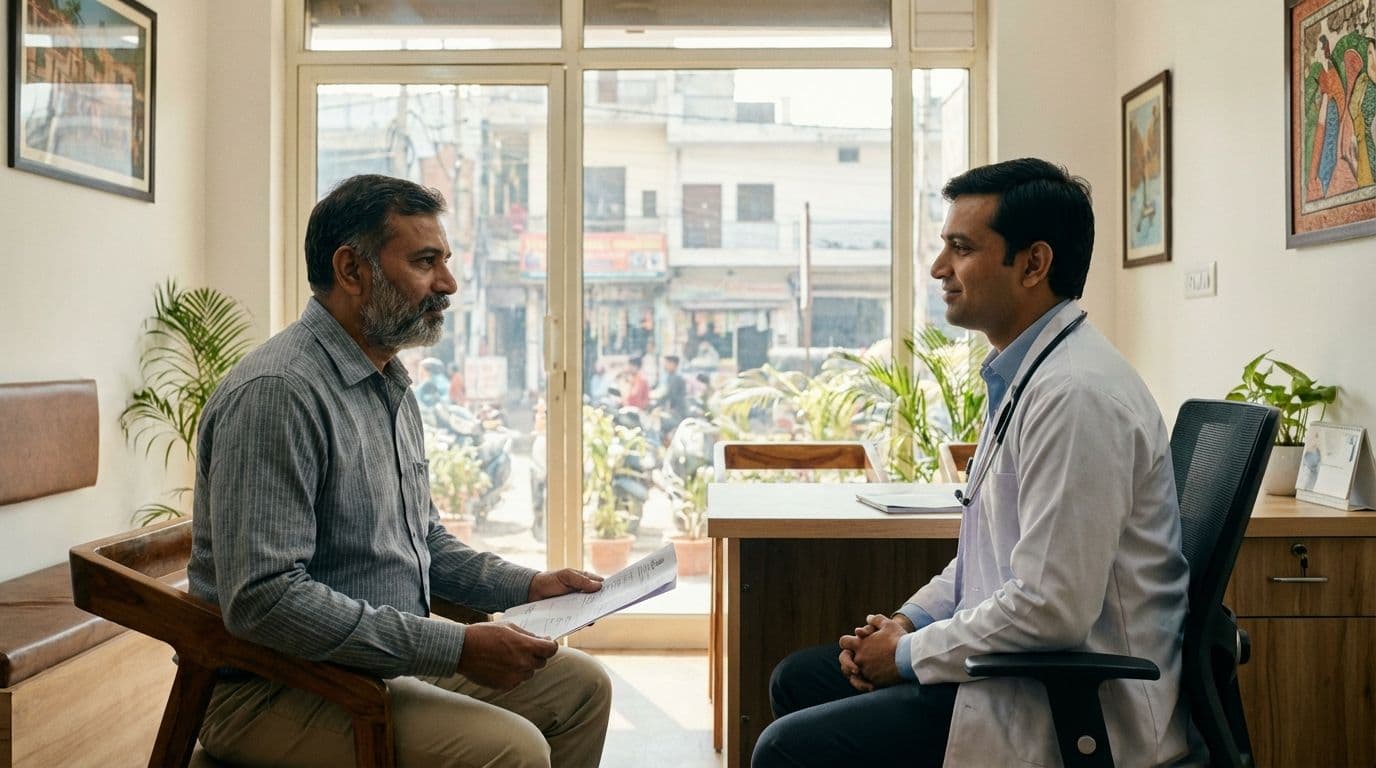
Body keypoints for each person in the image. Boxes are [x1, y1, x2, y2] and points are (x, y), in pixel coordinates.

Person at [754, 158, 1192, 768]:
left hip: (1065, 706)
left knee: (786, 749)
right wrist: (907, 622)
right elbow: (987, 557)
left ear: (1033, 264)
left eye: (960, 248)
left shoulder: (1076, 396)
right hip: (1014, 670)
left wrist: (904, 655)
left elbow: (1052, 610)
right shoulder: (1029, 374)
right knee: (798, 679)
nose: (939, 268)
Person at [188, 174, 612, 767]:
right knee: (513, 752)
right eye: (424, 262)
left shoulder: (387, 383)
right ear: (351, 270)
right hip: (274, 685)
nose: (448, 283)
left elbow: (423, 540)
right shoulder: (278, 393)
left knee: (582, 688)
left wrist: (528, 586)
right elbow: (264, 599)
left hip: (377, 661)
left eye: (444, 261)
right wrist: (455, 646)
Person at [654, 354, 687, 435]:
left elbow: (669, 396)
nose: (665, 365)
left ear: (674, 364)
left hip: (677, 413)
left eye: (667, 363)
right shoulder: (668, 376)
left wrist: (659, 407)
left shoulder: (676, 378)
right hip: (672, 411)